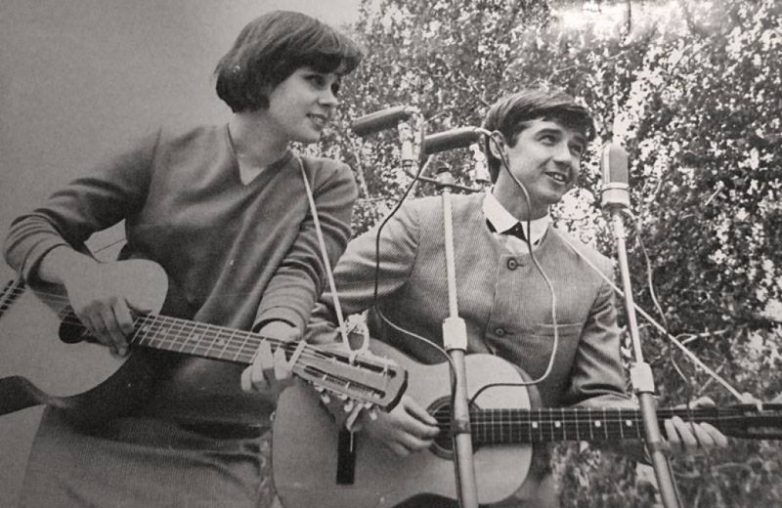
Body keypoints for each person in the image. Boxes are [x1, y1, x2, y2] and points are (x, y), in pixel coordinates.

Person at [3, 10, 362, 508]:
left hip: (214, 444)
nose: (332, 99)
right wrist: (80, 275)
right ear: (265, 72)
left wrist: (278, 336)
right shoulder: (163, 149)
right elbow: (30, 230)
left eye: (336, 86)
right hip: (92, 423)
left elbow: (300, 273)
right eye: (316, 81)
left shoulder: (328, 184)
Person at [303, 88, 728, 507]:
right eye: (548, 138)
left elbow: (596, 403)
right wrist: (363, 402)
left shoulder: (594, 273)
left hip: (520, 492)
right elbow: (308, 310)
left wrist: (657, 433)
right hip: (390, 486)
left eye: (577, 148)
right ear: (498, 146)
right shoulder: (422, 224)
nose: (566, 158)